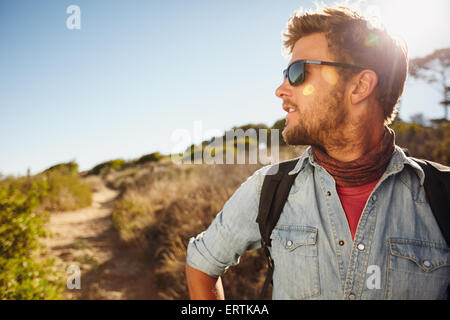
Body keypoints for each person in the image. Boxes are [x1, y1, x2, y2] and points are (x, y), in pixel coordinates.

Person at [185, 5, 450, 300]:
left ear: (360, 86)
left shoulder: (443, 194)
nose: (281, 90)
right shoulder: (269, 188)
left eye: (298, 72)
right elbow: (201, 264)